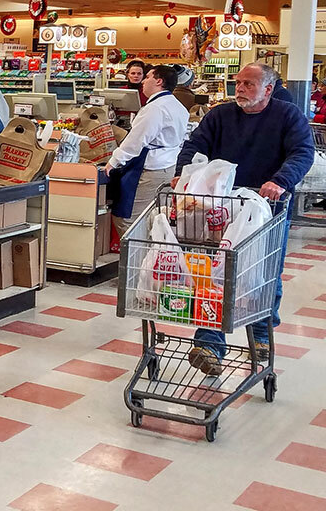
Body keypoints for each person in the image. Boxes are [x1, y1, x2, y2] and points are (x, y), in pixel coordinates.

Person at [175, 63, 314, 375]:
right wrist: (183, 175)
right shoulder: (219, 116)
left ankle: (262, 333)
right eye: (238, 83)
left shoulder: (288, 115)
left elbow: (302, 152)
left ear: (267, 89)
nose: (239, 89)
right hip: (220, 209)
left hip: (267, 208)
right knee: (213, 275)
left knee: (264, 273)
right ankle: (209, 344)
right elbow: (194, 146)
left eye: (248, 84)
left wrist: (280, 180)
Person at [106, 65, 189, 235]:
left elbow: (136, 141)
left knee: (129, 220)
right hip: (169, 166)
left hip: (151, 170)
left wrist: (113, 162)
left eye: (148, 77)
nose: (143, 81)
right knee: (157, 217)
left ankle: (138, 259)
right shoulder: (177, 105)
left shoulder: (155, 108)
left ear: (159, 81)